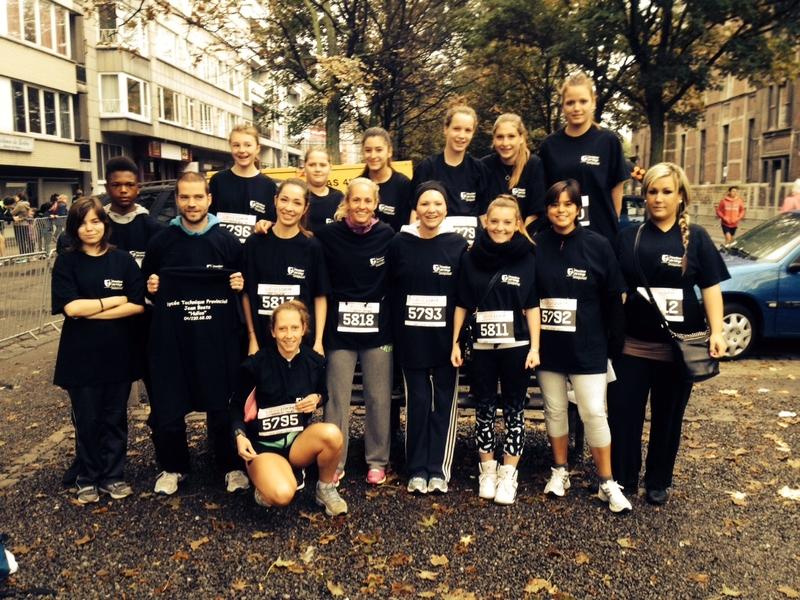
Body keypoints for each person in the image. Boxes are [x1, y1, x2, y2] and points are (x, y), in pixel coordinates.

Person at [608, 162, 728, 506]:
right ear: (644, 196)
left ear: (680, 196)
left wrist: (717, 332)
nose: (658, 199)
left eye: (666, 191)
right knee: (624, 416)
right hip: (632, 348)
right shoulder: (629, 235)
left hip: (678, 351)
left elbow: (711, 289)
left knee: (668, 417)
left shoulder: (698, 237)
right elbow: (618, 290)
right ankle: (623, 478)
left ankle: (658, 480)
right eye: (652, 192)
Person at [142, 172, 248, 496]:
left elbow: (245, 284)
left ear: (209, 199)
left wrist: (240, 284)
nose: (191, 204)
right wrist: (149, 287)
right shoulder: (161, 241)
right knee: (169, 404)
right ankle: (173, 466)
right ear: (177, 199)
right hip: (174, 340)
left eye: (197, 197)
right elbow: (144, 284)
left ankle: (230, 466)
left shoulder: (227, 241)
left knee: (222, 403)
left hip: (217, 339)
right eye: (185, 197)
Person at [533, 180, 631, 512]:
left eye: (567, 204)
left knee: (593, 412)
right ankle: (559, 471)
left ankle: (607, 481)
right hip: (548, 347)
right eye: (554, 204)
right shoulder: (537, 244)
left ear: (578, 208)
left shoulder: (598, 245)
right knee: (555, 411)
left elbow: (615, 299)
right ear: (547, 209)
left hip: (588, 347)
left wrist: (613, 346)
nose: (561, 210)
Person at [51, 197, 145, 503]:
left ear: (105, 224)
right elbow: (71, 307)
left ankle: (113, 476)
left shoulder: (123, 261)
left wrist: (92, 310)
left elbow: (137, 305)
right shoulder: (67, 261)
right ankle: (88, 477)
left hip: (117, 354)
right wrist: (112, 300)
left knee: (114, 418)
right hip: (80, 357)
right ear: (73, 228)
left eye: (95, 221)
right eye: (81, 223)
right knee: (87, 420)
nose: (89, 229)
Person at [450, 195, 540, 505]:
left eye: (507, 222)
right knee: (484, 409)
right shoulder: (470, 256)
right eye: (494, 222)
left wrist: (535, 348)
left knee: (514, 410)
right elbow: (462, 302)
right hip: (481, 347)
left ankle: (509, 473)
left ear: (517, 224)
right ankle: (487, 468)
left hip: (516, 346)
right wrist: (455, 342)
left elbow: (532, 306)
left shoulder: (528, 256)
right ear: (485, 222)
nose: (500, 228)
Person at [230, 300, 348, 515]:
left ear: (303, 329)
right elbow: (236, 406)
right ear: (273, 331)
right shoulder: (255, 365)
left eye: (294, 328)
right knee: (283, 494)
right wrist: (239, 435)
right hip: (265, 447)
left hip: (296, 444)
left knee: (332, 434)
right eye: (282, 328)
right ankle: (267, 482)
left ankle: (325, 489)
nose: (289, 335)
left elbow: (324, 394)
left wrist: (316, 398)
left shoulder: (314, 362)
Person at [388, 182, 468, 494]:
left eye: (437, 203)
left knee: (443, 404)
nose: (431, 209)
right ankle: (417, 469)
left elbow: (464, 297)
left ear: (446, 208)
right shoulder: (400, 243)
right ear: (416, 209)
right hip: (412, 341)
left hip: (447, 344)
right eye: (424, 204)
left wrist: (458, 340)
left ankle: (438, 469)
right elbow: (391, 290)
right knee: (418, 402)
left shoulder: (457, 245)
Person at [315, 178, 395, 485]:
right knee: (336, 398)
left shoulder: (387, 234)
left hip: (378, 330)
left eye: (367, 201)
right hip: (340, 331)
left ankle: (378, 461)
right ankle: (334, 461)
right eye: (355, 200)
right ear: (346, 202)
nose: (361, 206)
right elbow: (300, 238)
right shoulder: (328, 235)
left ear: (375, 204)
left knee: (378, 397)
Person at [539, 72, 629, 244]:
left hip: (600, 234)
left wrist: (611, 223)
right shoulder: (549, 146)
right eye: (570, 103)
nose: (576, 108)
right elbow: (545, 194)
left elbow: (617, 189)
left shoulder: (608, 141)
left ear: (593, 103)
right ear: (563, 106)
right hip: (560, 235)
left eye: (583, 101)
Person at [242, 178, 329, 356]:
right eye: (284, 200)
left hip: (301, 346)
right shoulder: (254, 243)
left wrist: (319, 341)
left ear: (305, 208)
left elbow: (320, 296)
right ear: (275, 201)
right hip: (263, 344)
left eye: (297, 203)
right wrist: (252, 338)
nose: (289, 208)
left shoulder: (313, 246)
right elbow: (246, 294)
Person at [411, 104, 488, 243]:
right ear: (446, 129)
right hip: (436, 246)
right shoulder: (427, 167)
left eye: (467, 130)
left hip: (470, 248)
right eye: (456, 129)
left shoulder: (479, 169)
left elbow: (484, 216)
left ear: (473, 133)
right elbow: (415, 214)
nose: (461, 135)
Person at [209, 124, 277, 243]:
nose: (241, 150)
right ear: (230, 147)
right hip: (222, 253)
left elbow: (276, 223)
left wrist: (268, 224)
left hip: (255, 255)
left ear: (257, 148)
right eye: (236, 145)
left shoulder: (269, 186)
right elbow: (207, 218)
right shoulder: (217, 181)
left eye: (248, 145)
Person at [481, 114, 546, 231]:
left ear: (521, 138)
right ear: (494, 139)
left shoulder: (533, 164)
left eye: (511, 136)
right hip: (492, 237)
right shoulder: (485, 165)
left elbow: (535, 212)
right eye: (500, 137)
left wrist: (520, 240)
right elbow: (481, 210)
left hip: (523, 238)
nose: (505, 143)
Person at [361, 127, 414, 232]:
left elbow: (408, 227)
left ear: (389, 151)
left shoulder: (403, 185)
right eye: (368, 150)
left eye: (379, 150)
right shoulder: (358, 185)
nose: (373, 155)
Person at [303, 147, 344, 233]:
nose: (317, 169)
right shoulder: (297, 196)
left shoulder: (339, 198)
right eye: (312, 165)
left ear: (330, 167)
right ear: (304, 167)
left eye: (322, 165)